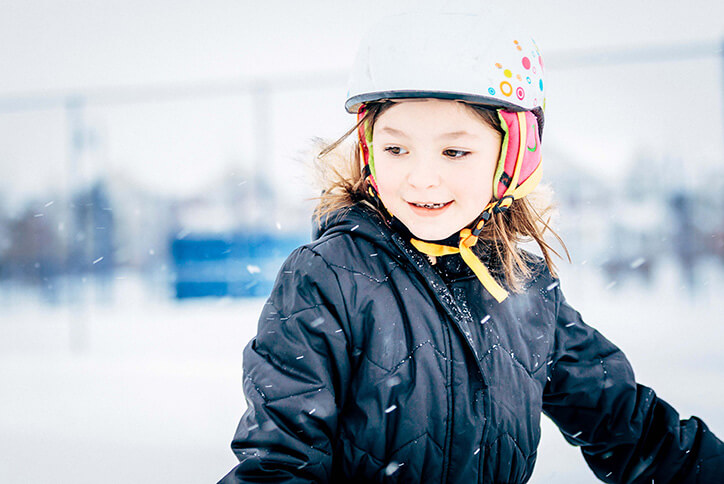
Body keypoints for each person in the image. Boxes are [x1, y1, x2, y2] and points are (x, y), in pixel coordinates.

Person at [219, 13, 724, 483]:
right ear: (370, 151)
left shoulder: (525, 286)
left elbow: (630, 427)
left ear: (513, 158)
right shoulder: (328, 277)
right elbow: (280, 460)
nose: (421, 177)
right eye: (396, 148)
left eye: (454, 150)